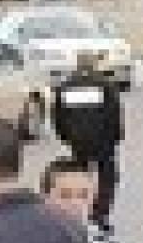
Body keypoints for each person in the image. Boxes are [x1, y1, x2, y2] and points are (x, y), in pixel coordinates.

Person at [51, 51, 125, 231]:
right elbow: (114, 114)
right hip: (103, 142)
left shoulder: (65, 87)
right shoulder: (105, 85)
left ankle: (82, 212)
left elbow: (58, 117)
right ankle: (99, 215)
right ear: (94, 65)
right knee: (107, 178)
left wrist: (66, 137)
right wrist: (115, 137)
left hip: (78, 143)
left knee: (81, 177)